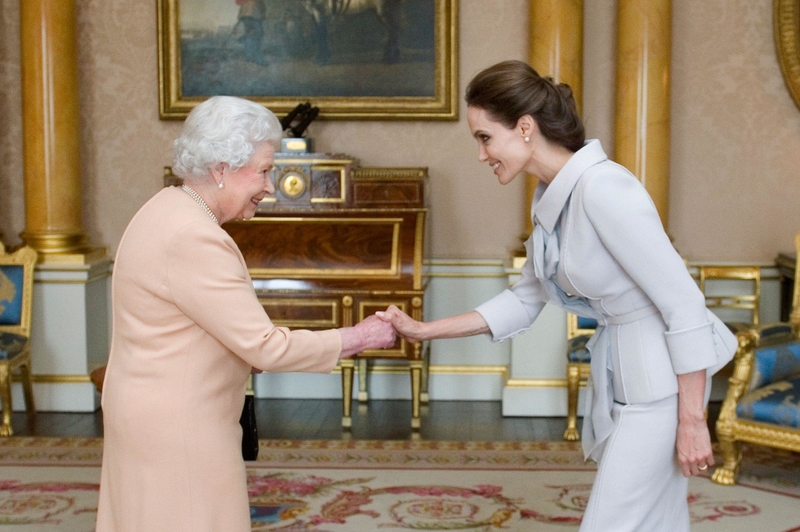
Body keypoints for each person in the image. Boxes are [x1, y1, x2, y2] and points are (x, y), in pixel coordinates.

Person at [377, 60, 737, 532]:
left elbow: (684, 303)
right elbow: (526, 297)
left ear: (525, 128)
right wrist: (425, 331)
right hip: (627, 381)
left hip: (659, 390)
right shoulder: (554, 196)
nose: (481, 155)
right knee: (657, 524)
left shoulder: (605, 188)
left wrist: (692, 420)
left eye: (484, 137)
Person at [95, 95, 395, 532]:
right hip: (180, 429)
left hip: (145, 415)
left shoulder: (162, 208)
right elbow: (265, 348)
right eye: (265, 170)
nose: (271, 187)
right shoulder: (195, 238)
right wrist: (359, 337)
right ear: (221, 169)